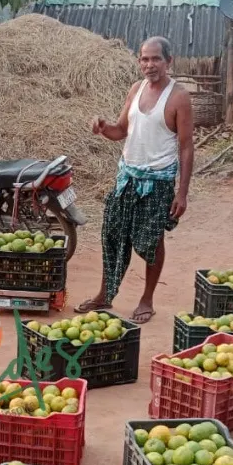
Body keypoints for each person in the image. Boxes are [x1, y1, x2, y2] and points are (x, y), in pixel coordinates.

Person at [80, 36, 194, 323]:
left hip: (158, 183)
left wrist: (182, 193)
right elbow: (121, 130)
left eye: (156, 59)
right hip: (126, 177)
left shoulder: (178, 97)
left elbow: (186, 146)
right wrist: (103, 127)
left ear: (169, 61)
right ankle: (105, 295)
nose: (149, 64)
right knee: (112, 236)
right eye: (144, 59)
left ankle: (147, 299)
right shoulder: (136, 89)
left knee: (151, 241)